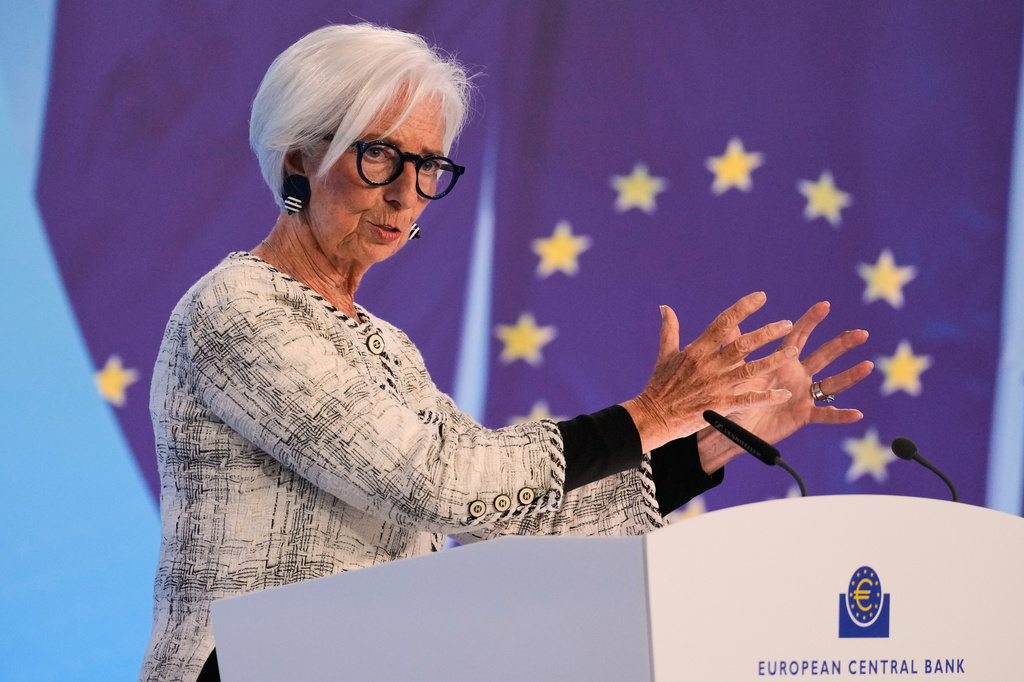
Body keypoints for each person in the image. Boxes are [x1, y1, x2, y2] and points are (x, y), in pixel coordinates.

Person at [138, 23, 872, 681]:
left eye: (428, 165)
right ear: (299, 157)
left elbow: (505, 515)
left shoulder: (388, 346)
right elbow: (439, 482)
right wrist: (648, 414)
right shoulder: (238, 309)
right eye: (379, 155)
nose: (406, 194)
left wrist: (707, 442)